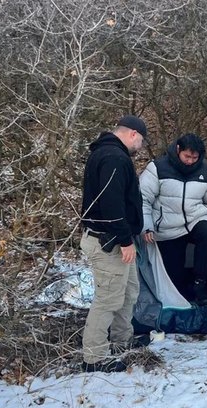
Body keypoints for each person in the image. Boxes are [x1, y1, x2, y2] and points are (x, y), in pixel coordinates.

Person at [79, 115, 151, 373]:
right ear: (132, 134)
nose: (140, 147)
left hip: (117, 241)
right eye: (141, 141)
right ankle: (94, 358)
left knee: (129, 291)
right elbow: (111, 206)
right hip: (109, 242)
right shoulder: (113, 158)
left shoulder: (109, 154)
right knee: (108, 299)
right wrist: (124, 240)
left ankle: (122, 341)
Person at [140, 133, 207, 306]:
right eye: (187, 156)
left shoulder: (206, 171)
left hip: (195, 219)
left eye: (194, 158)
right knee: (174, 272)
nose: (190, 161)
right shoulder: (157, 168)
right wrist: (147, 227)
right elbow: (143, 199)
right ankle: (181, 296)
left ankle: (200, 284)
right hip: (168, 225)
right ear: (178, 150)